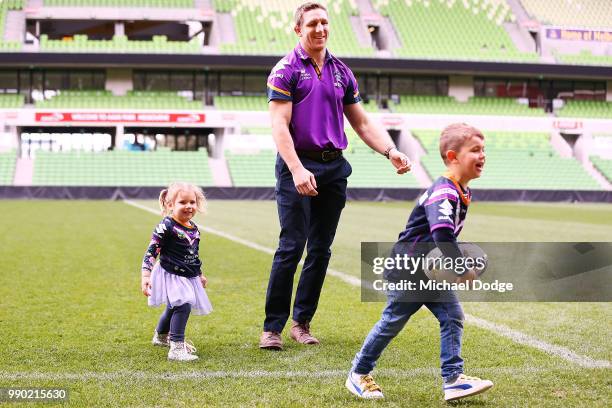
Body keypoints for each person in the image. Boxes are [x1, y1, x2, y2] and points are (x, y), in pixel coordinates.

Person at [260, 1, 411, 350]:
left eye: (324, 23)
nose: (320, 29)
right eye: (312, 23)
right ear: (299, 29)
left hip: (334, 168)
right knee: (291, 246)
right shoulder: (285, 70)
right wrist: (297, 168)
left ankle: (302, 323)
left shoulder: (342, 71)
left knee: (321, 250)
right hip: (297, 165)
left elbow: (360, 121)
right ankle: (272, 328)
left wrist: (390, 151)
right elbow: (279, 124)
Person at [346, 123, 494, 402]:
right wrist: (461, 269)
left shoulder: (460, 190)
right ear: (453, 157)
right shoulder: (445, 191)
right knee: (393, 321)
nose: (482, 155)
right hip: (409, 268)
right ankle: (358, 374)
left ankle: (453, 379)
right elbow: (441, 233)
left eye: (483, 149)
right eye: (475, 150)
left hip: (431, 271)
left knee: (452, 315)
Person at [141, 182, 212, 361]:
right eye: (183, 202)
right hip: (170, 273)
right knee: (183, 304)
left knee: (174, 306)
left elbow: (193, 254)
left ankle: (161, 336)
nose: (188, 206)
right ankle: (177, 347)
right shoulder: (166, 226)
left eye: (192, 202)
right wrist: (146, 275)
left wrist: (199, 273)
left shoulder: (194, 228)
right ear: (170, 205)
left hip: (188, 274)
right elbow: (152, 250)